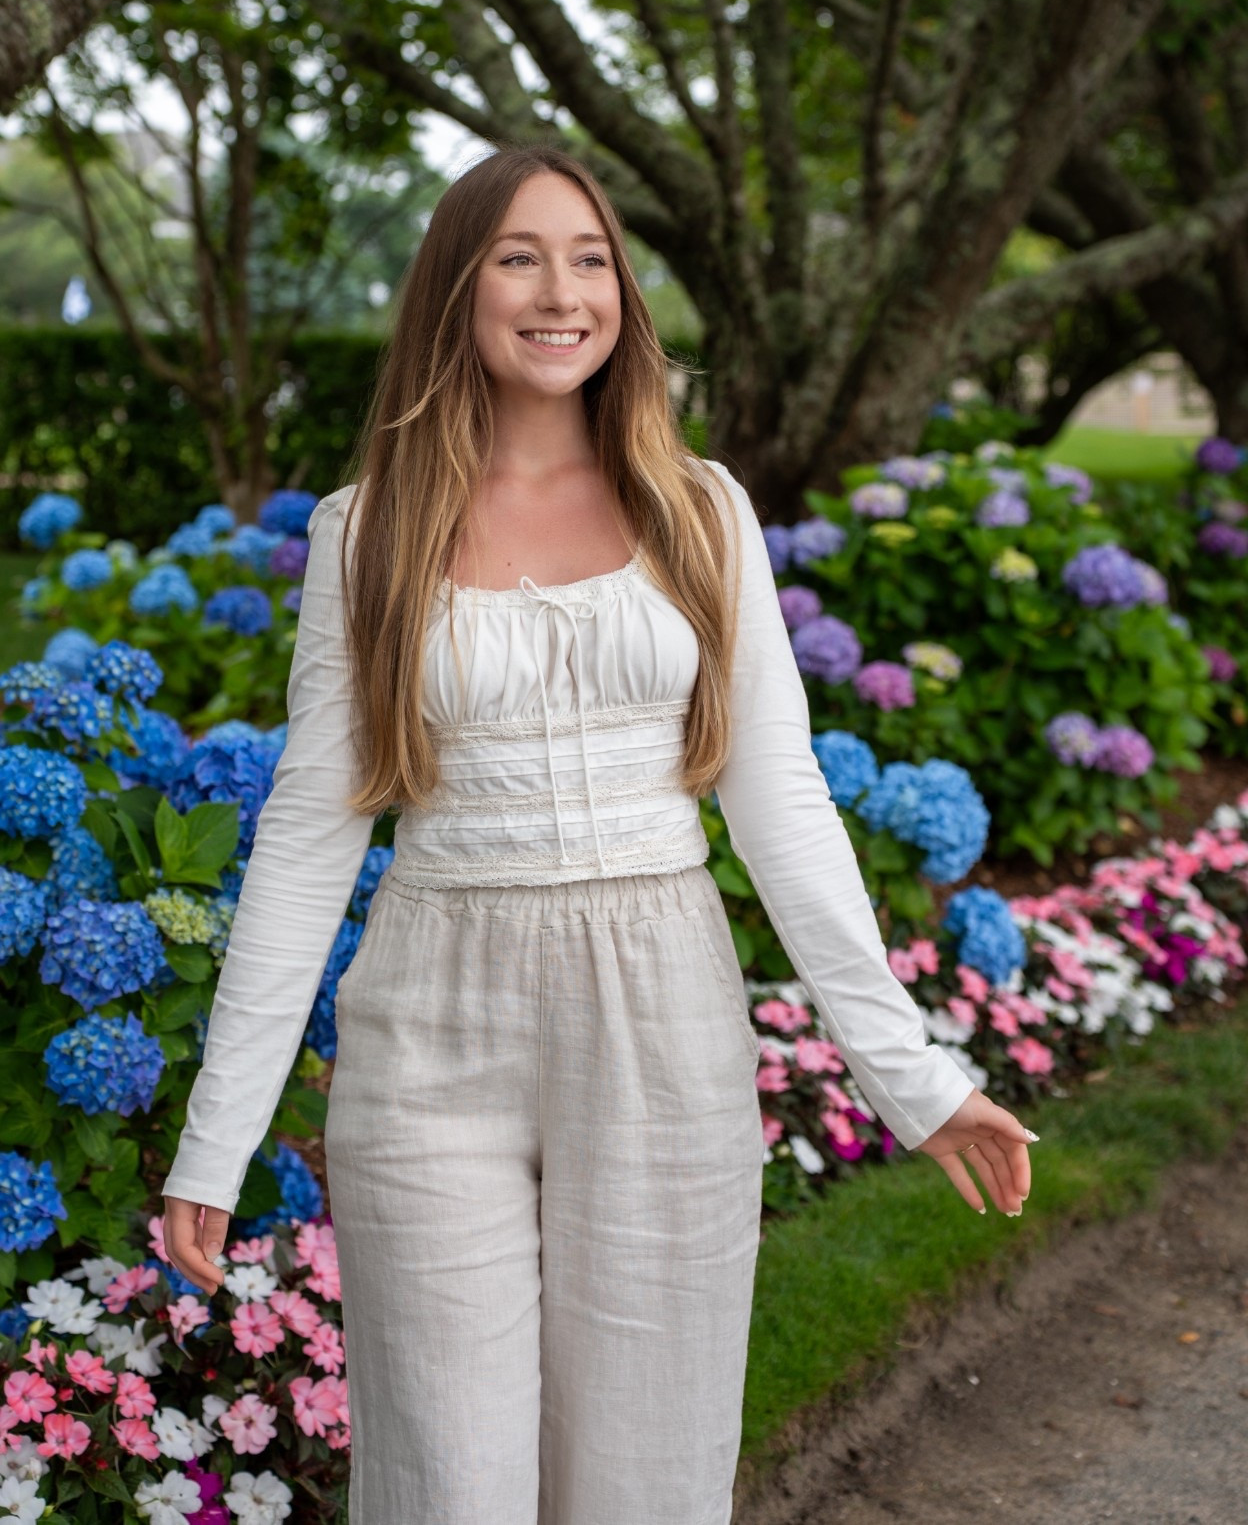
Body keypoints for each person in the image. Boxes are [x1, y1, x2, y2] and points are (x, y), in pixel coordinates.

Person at [160, 144, 1035, 1523]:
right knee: (449, 1485)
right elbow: (310, 834)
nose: (560, 291)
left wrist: (912, 1075)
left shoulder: (701, 510)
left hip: (661, 1021)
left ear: (621, 291)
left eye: (587, 258)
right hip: (429, 1032)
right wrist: (218, 1141)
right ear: (455, 289)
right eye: (518, 255)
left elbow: (783, 803)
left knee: (646, 1479)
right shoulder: (368, 531)